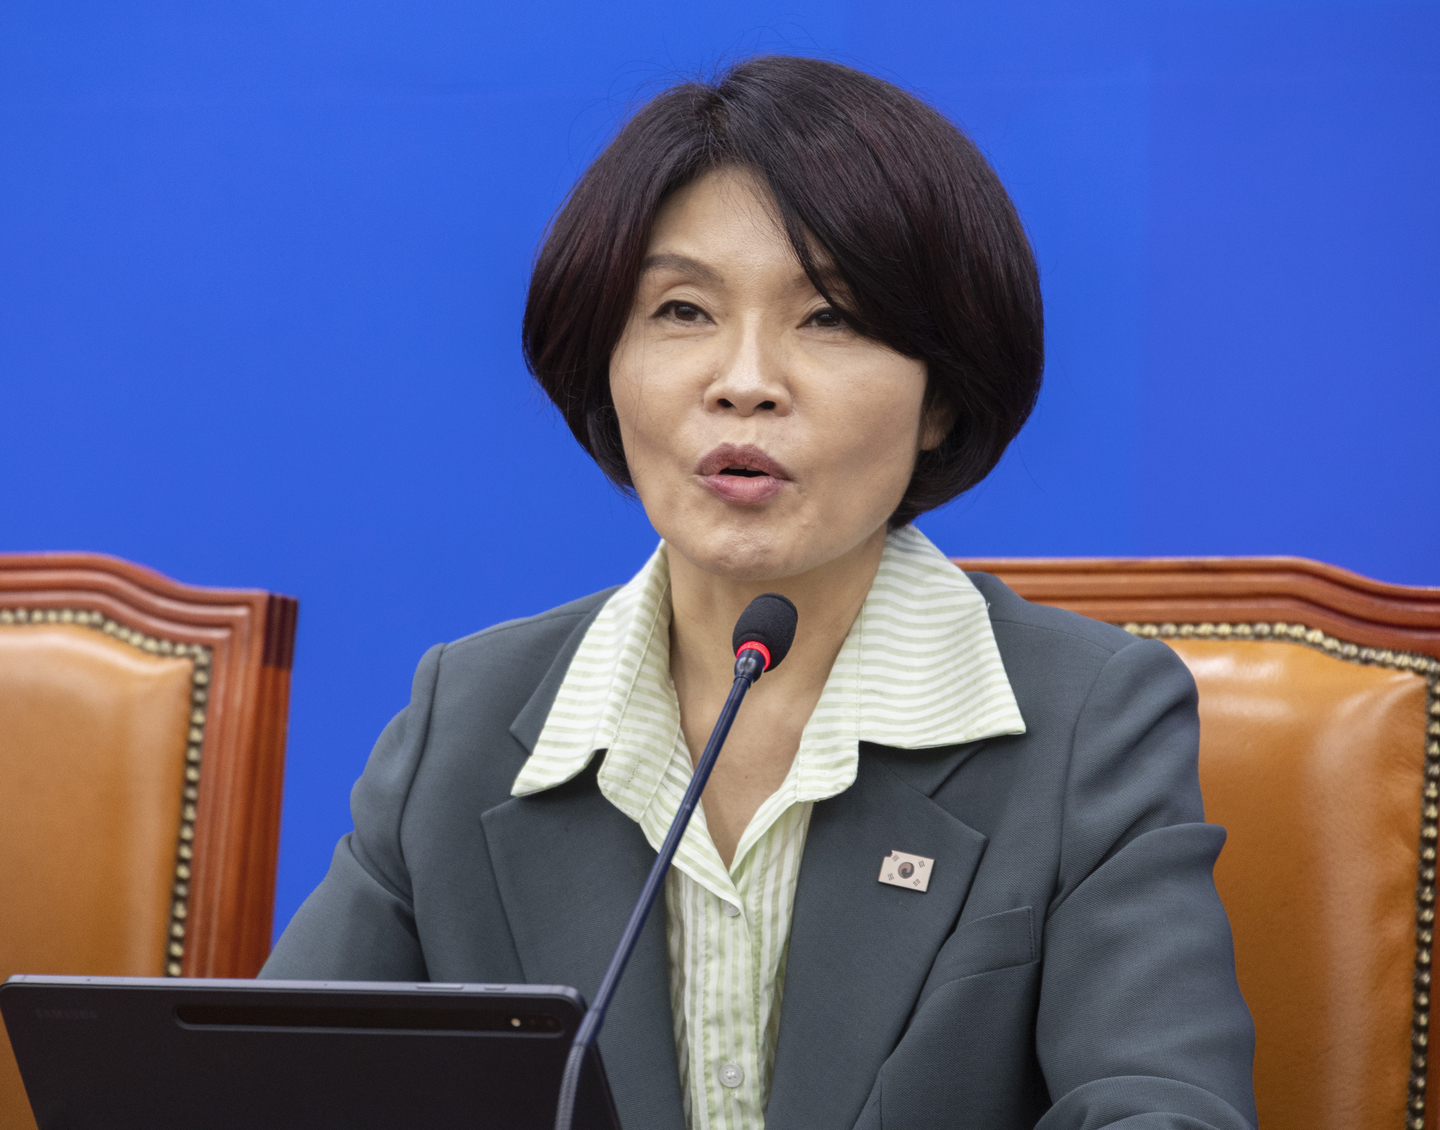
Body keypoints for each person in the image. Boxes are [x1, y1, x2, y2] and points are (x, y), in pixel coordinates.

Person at [262, 55, 1257, 1130]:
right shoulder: (465, 722)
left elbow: (1162, 1108)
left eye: (828, 316)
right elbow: (263, 1091)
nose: (744, 379)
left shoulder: (1089, 724)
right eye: (681, 308)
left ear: (940, 396)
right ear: (606, 359)